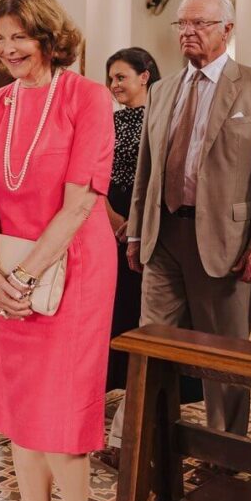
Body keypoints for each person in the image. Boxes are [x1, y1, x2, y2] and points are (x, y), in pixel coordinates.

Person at [116, 0, 251, 447]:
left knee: (225, 353)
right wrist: (136, 233)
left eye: (201, 24)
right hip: (164, 234)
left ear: (227, 30)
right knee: (153, 343)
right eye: (182, 24)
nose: (188, 32)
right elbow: (146, 173)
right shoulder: (163, 90)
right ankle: (137, 439)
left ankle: (225, 448)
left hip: (226, 241)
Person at [0, 0, 115, 501]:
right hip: (8, 268)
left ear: (50, 37)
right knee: (20, 408)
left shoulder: (87, 97)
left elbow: (79, 206)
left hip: (71, 269)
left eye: (21, 35)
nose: (8, 48)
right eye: (0, 37)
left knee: (60, 413)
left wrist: (22, 278)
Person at [104, 48, 160, 388]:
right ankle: (111, 375)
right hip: (107, 214)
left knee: (142, 298)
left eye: (120, 77)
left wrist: (139, 221)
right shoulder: (108, 120)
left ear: (145, 76)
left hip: (149, 217)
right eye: (110, 78)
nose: (113, 84)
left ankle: (141, 382)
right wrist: (110, 216)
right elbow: (94, 173)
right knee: (113, 297)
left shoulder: (161, 119)